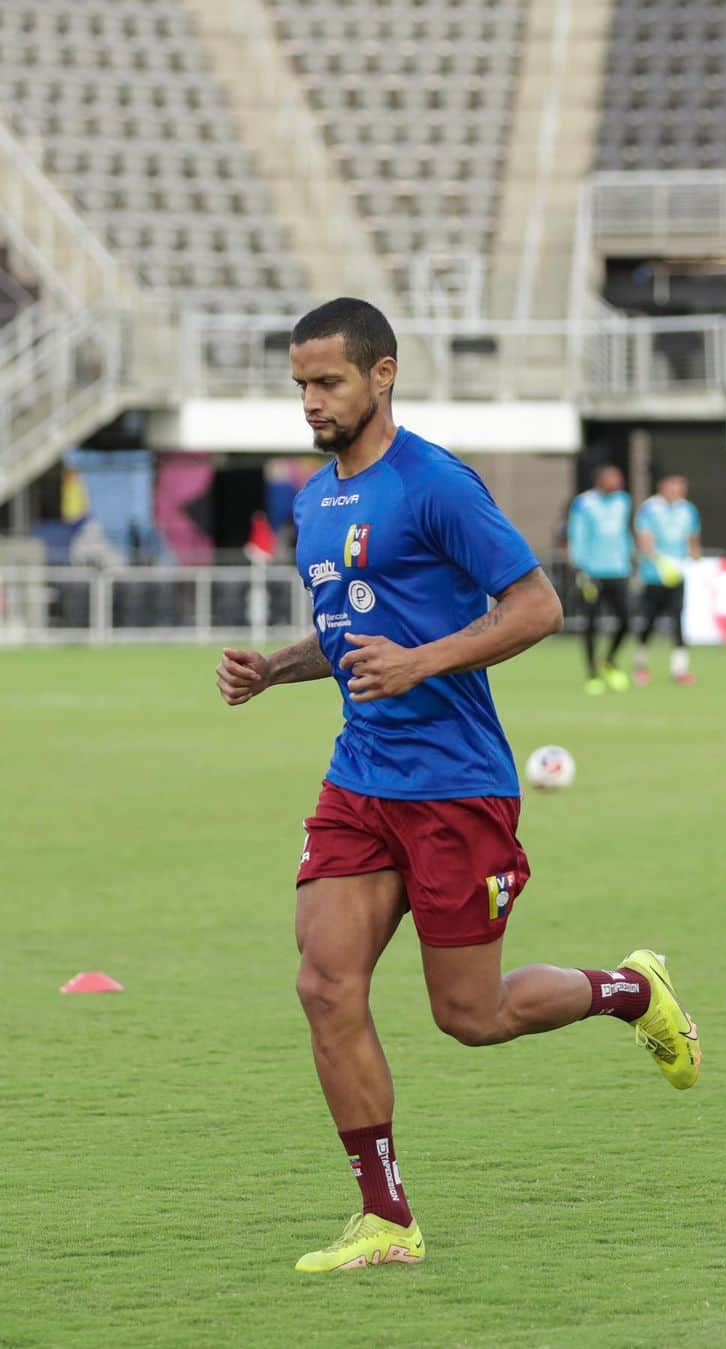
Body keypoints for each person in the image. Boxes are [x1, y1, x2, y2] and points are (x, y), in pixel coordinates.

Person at [215, 298, 700, 1275]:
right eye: (301, 384)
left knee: (469, 1016)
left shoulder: (436, 485)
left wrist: (425, 661)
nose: (310, 401)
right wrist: (276, 667)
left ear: (382, 375)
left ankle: (631, 988)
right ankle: (385, 1216)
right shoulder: (315, 500)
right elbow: (351, 633)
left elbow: (538, 606)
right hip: (360, 777)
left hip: (455, 787)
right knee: (324, 982)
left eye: (329, 382)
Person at [566, 464, 634, 694]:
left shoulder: (623, 501)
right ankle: (592, 674)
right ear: (600, 480)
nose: (617, 482)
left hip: (618, 570)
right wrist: (580, 568)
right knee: (591, 623)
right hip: (592, 571)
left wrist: (630, 555)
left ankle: (610, 661)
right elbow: (577, 535)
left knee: (627, 620)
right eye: (612, 478)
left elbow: (623, 531)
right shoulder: (584, 503)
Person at [633, 473, 702, 686]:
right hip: (654, 575)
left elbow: (693, 539)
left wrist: (694, 555)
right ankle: (641, 665)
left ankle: (679, 669)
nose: (678, 491)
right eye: (674, 486)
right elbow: (644, 540)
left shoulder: (688, 510)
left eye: (682, 487)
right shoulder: (649, 509)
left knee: (678, 620)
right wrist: (662, 562)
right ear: (663, 487)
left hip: (677, 576)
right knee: (649, 621)